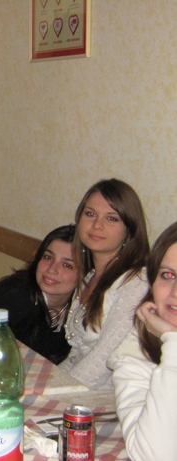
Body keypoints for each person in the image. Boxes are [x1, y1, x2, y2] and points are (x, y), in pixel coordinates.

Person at [60, 179, 149, 389]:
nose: (97, 225)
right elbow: (77, 353)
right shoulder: (90, 277)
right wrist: (46, 384)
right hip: (80, 388)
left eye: (111, 218)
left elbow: (103, 361)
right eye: (90, 214)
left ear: (129, 229)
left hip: (112, 400)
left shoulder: (136, 282)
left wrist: (58, 393)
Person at [107, 222, 177, 460]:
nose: (176, 292)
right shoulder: (136, 351)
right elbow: (154, 455)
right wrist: (173, 343)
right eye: (168, 275)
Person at [0, 225, 77, 364]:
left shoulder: (84, 309)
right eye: (48, 257)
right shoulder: (15, 298)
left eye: (67, 265)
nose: (52, 269)